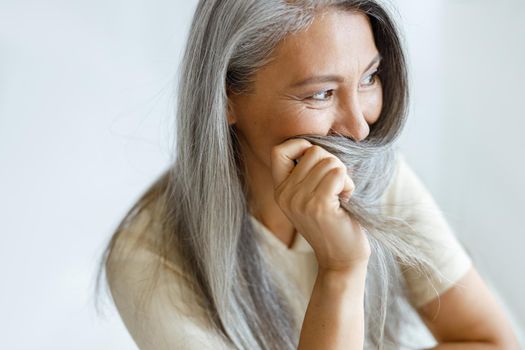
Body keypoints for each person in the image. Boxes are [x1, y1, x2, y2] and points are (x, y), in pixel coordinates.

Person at [95, 1, 520, 349]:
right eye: (321, 93)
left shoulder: (377, 176)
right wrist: (341, 269)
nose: (359, 129)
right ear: (224, 96)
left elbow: (490, 341)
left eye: (370, 77)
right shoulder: (147, 255)